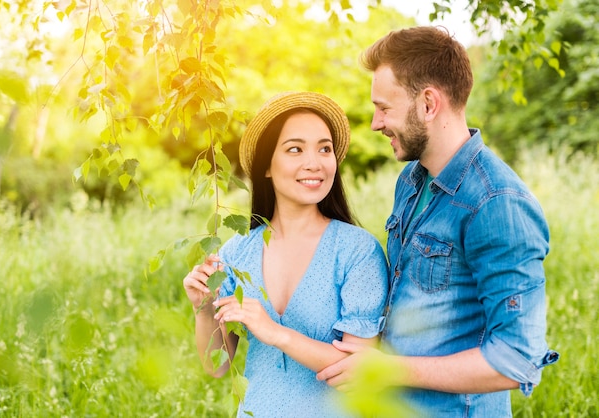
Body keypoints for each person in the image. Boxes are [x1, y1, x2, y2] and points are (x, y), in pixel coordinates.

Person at [315, 26, 559, 417]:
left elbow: (517, 358)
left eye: (385, 108)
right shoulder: (411, 181)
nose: (376, 123)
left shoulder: (497, 203)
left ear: (429, 104)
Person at [183, 91, 389, 418]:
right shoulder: (236, 252)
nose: (315, 163)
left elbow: (361, 370)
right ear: (266, 166)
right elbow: (217, 366)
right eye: (295, 149)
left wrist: (276, 333)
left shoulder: (357, 251)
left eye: (324, 149)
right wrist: (204, 308)